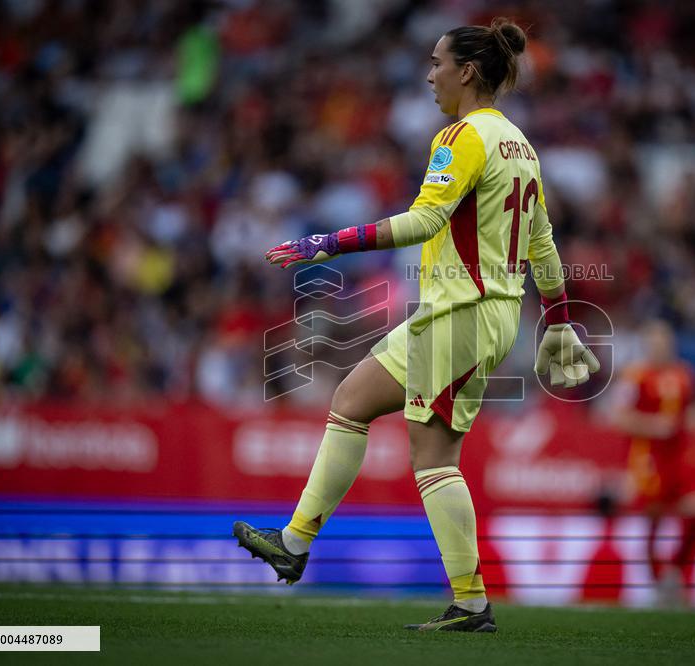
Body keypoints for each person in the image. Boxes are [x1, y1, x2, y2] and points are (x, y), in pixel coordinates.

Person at [232, 18, 599, 632]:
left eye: (436, 63)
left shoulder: (461, 137)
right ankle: (293, 543)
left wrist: (332, 241)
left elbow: (425, 221)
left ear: (467, 72)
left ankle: (471, 603)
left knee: (434, 459)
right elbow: (543, 244)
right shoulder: (521, 146)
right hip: (467, 313)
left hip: (462, 313)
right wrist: (558, 320)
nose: (428, 75)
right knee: (350, 400)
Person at [609, 319, 695, 607]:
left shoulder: (684, 374)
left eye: (664, 342)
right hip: (649, 457)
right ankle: (659, 583)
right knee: (654, 519)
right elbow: (618, 416)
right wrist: (654, 426)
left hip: (680, 454)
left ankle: (675, 572)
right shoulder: (635, 376)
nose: (659, 348)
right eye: (654, 343)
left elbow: (690, 409)